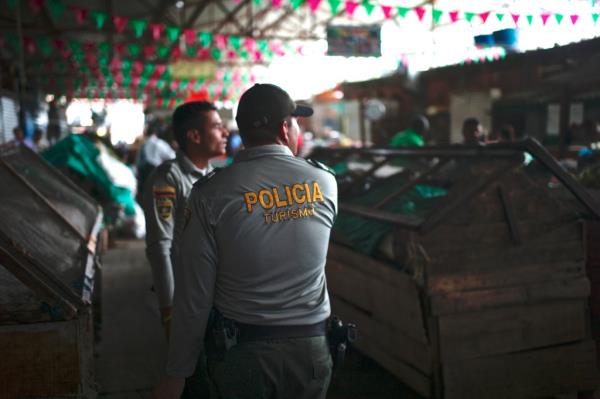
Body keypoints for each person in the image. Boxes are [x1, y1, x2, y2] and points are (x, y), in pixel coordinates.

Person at [154, 83, 338, 399]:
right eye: (296, 122)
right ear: (284, 127)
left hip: (245, 354)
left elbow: (194, 293)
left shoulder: (210, 193)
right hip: (312, 349)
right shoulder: (325, 181)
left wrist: (177, 372)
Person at [144, 101, 229, 397]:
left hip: (211, 295)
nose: (225, 132)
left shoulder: (214, 176)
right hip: (184, 300)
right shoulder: (169, 178)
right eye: (217, 126)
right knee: (191, 380)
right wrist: (169, 310)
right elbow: (160, 246)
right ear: (193, 136)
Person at [137, 119, 177, 201]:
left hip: (143, 177)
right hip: (155, 176)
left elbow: (137, 163)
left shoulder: (143, 144)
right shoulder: (159, 143)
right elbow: (172, 157)